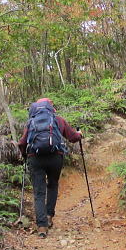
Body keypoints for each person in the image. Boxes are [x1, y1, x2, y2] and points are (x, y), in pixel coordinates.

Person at [18, 98, 82, 237]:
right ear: (50, 107)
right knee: (52, 185)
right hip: (55, 157)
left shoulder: (31, 122)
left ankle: (41, 227)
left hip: (35, 159)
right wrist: (79, 134)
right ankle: (49, 216)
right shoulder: (58, 120)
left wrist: (24, 155)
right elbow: (72, 137)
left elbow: (22, 142)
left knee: (39, 192)